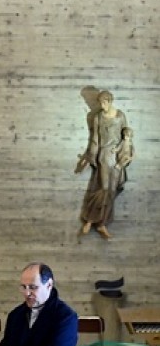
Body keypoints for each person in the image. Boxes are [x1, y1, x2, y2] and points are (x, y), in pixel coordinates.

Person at [75, 90, 129, 240]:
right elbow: (95, 139)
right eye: (100, 103)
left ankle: (102, 224)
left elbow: (127, 137)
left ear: (110, 101)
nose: (102, 106)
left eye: (104, 103)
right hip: (104, 156)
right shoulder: (98, 117)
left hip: (117, 156)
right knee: (104, 188)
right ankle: (90, 219)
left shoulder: (120, 116)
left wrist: (126, 154)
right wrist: (90, 156)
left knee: (111, 191)